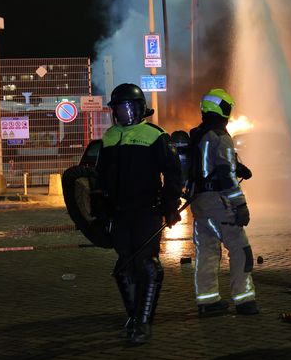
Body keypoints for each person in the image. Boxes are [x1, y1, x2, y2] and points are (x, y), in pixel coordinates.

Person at [97, 83, 183, 345]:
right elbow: (100, 177)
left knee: (146, 265)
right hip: (120, 213)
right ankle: (134, 317)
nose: (122, 112)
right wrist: (100, 208)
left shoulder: (155, 136)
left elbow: (172, 173)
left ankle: (143, 323)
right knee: (124, 267)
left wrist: (170, 207)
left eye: (126, 107)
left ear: (138, 108)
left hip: (147, 212)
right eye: (118, 108)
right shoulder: (110, 137)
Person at [187, 88, 258, 316]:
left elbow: (208, 165)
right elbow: (226, 177)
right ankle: (244, 301)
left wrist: (239, 166)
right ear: (223, 110)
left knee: (207, 254)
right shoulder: (221, 137)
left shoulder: (198, 135)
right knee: (240, 251)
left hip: (199, 205)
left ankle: (207, 302)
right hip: (219, 203)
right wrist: (241, 206)